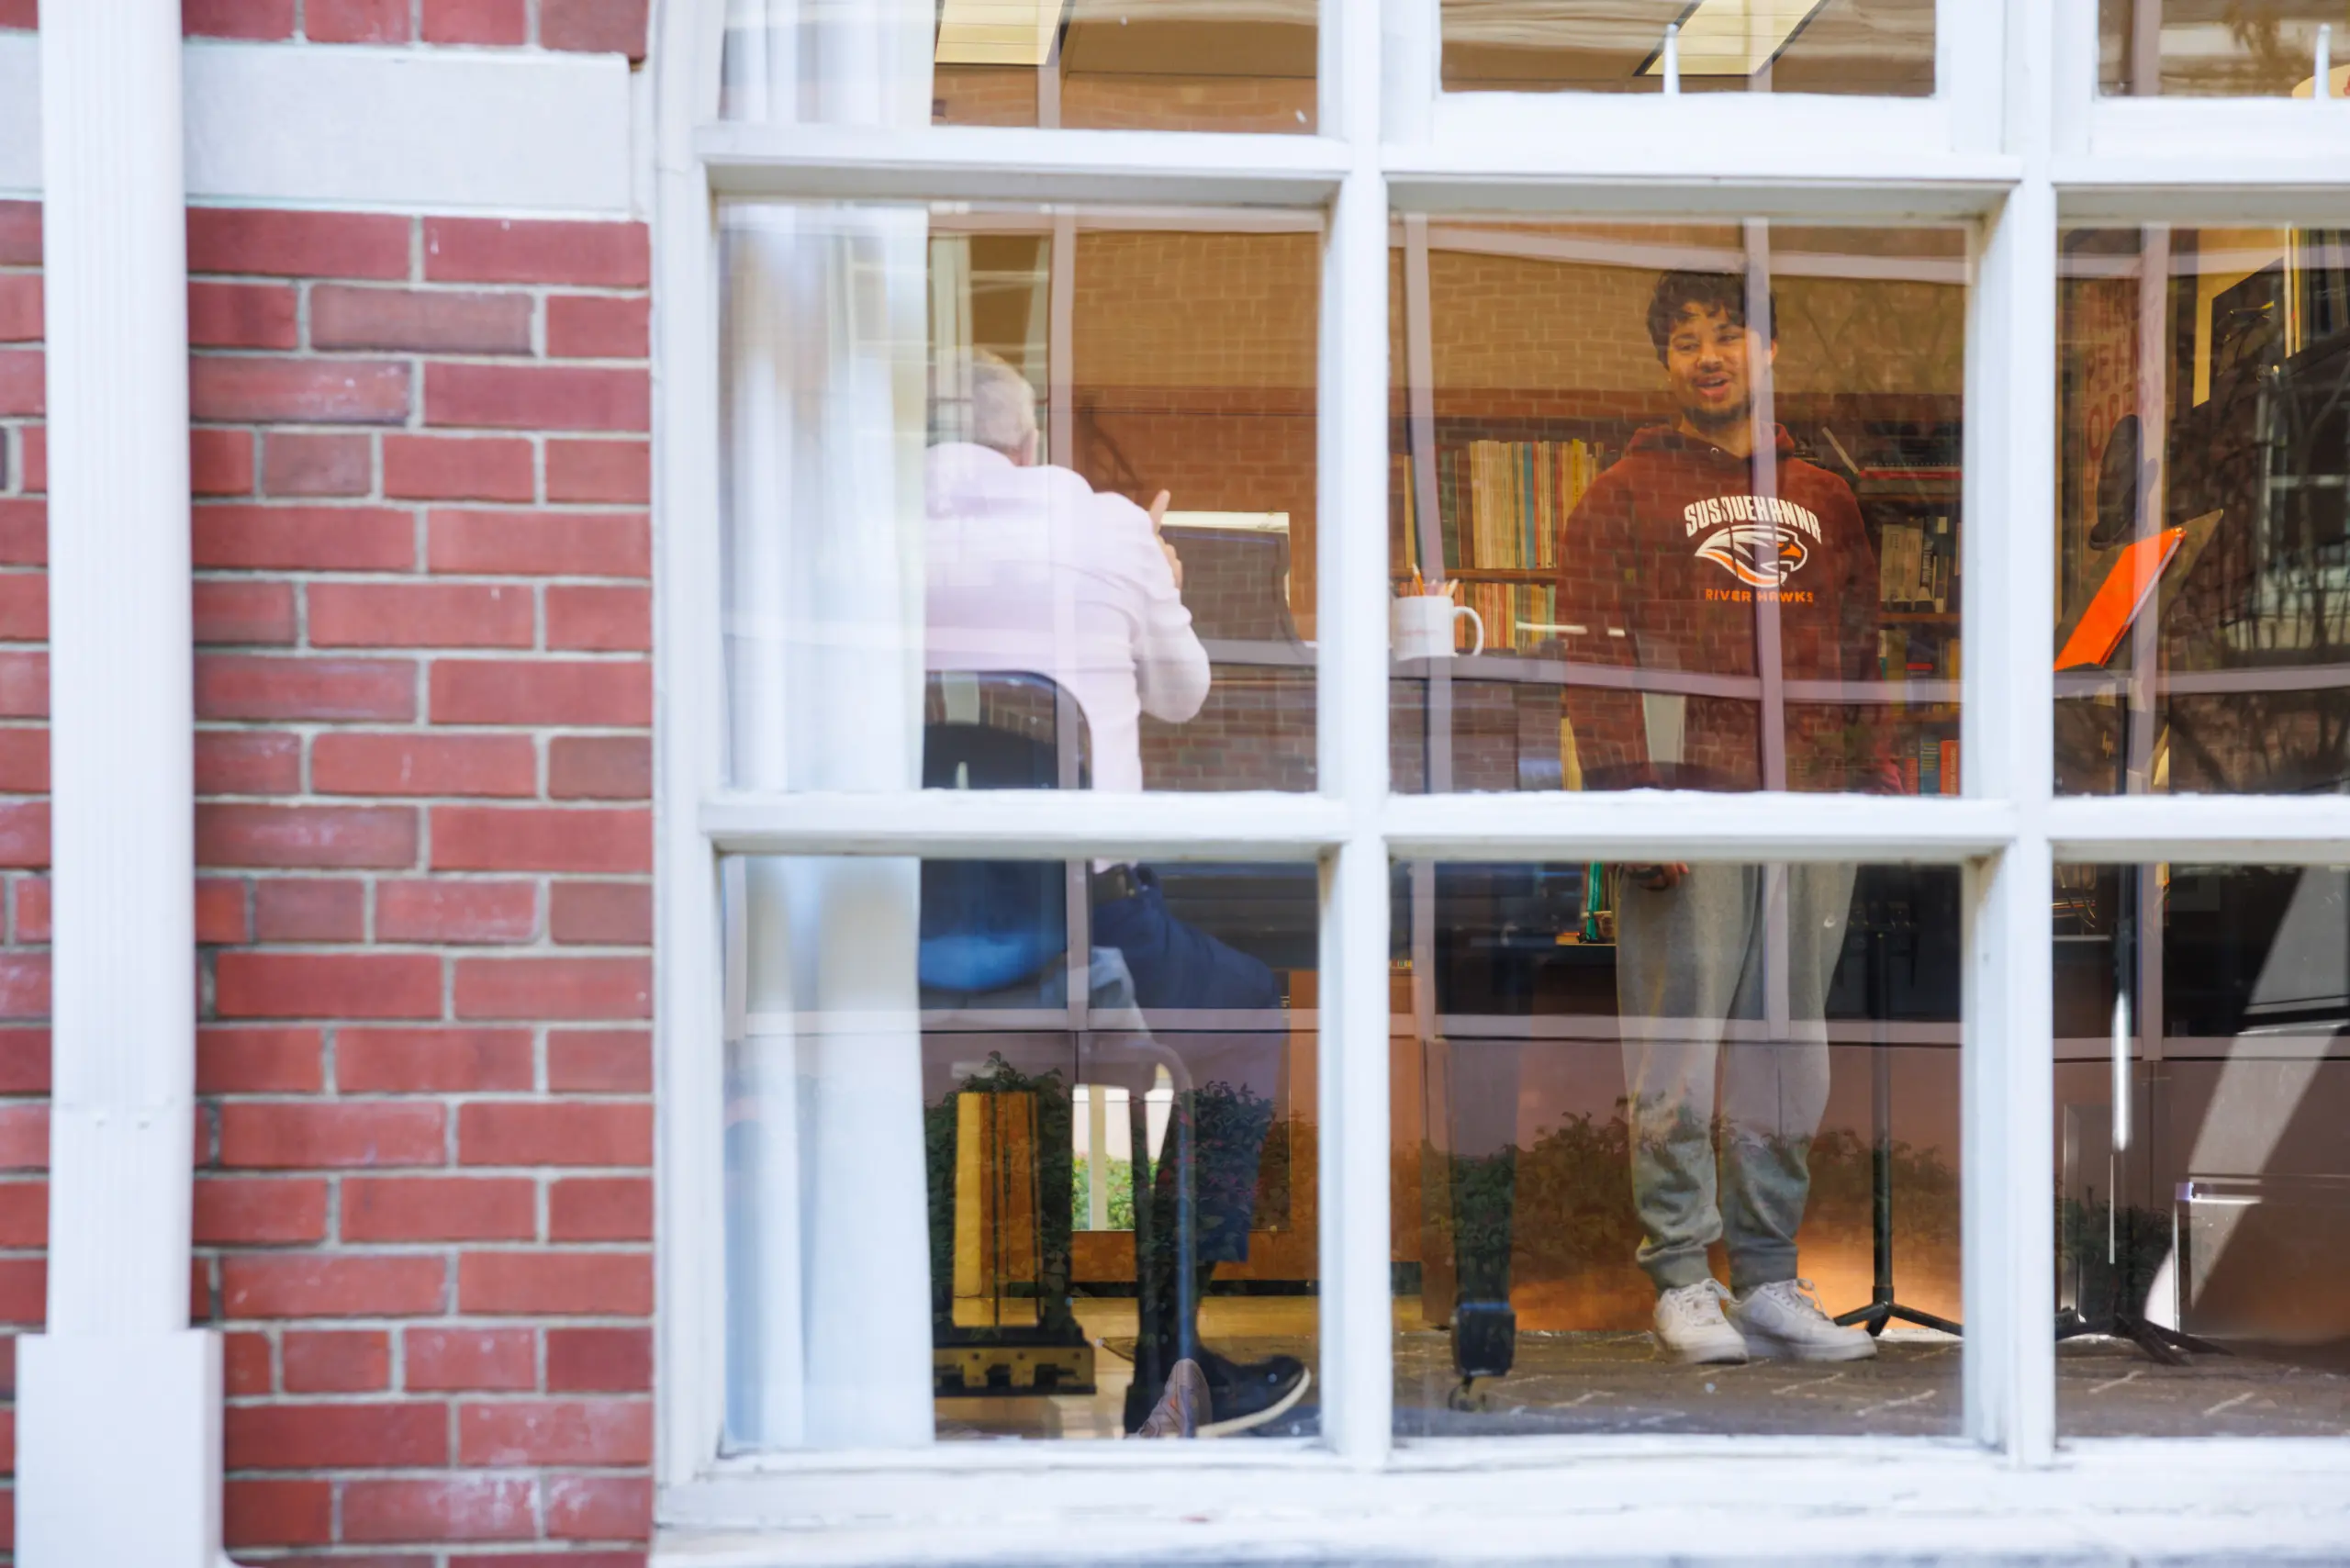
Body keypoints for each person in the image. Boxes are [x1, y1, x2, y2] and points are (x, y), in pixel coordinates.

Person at [924, 349, 1308, 1433]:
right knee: (1237, 1015)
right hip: (1078, 922)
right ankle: (1169, 1361)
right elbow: (1184, 700)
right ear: (1029, 441)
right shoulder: (1107, 525)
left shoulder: (852, 528)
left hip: (889, 931)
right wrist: (1161, 582)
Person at [1552, 270, 1893, 1366]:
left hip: (1808, 810)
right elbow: (1591, 661)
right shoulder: (1618, 495)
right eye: (1686, 340)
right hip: (1681, 808)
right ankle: (1681, 1276)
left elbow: (1860, 660)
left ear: (1769, 349)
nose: (1708, 356)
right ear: (1664, 364)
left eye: (1728, 334)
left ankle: (1769, 1274)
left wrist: (1869, 791)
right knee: (1678, 1044)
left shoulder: (1828, 500)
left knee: (1788, 1048)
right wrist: (1625, 805)